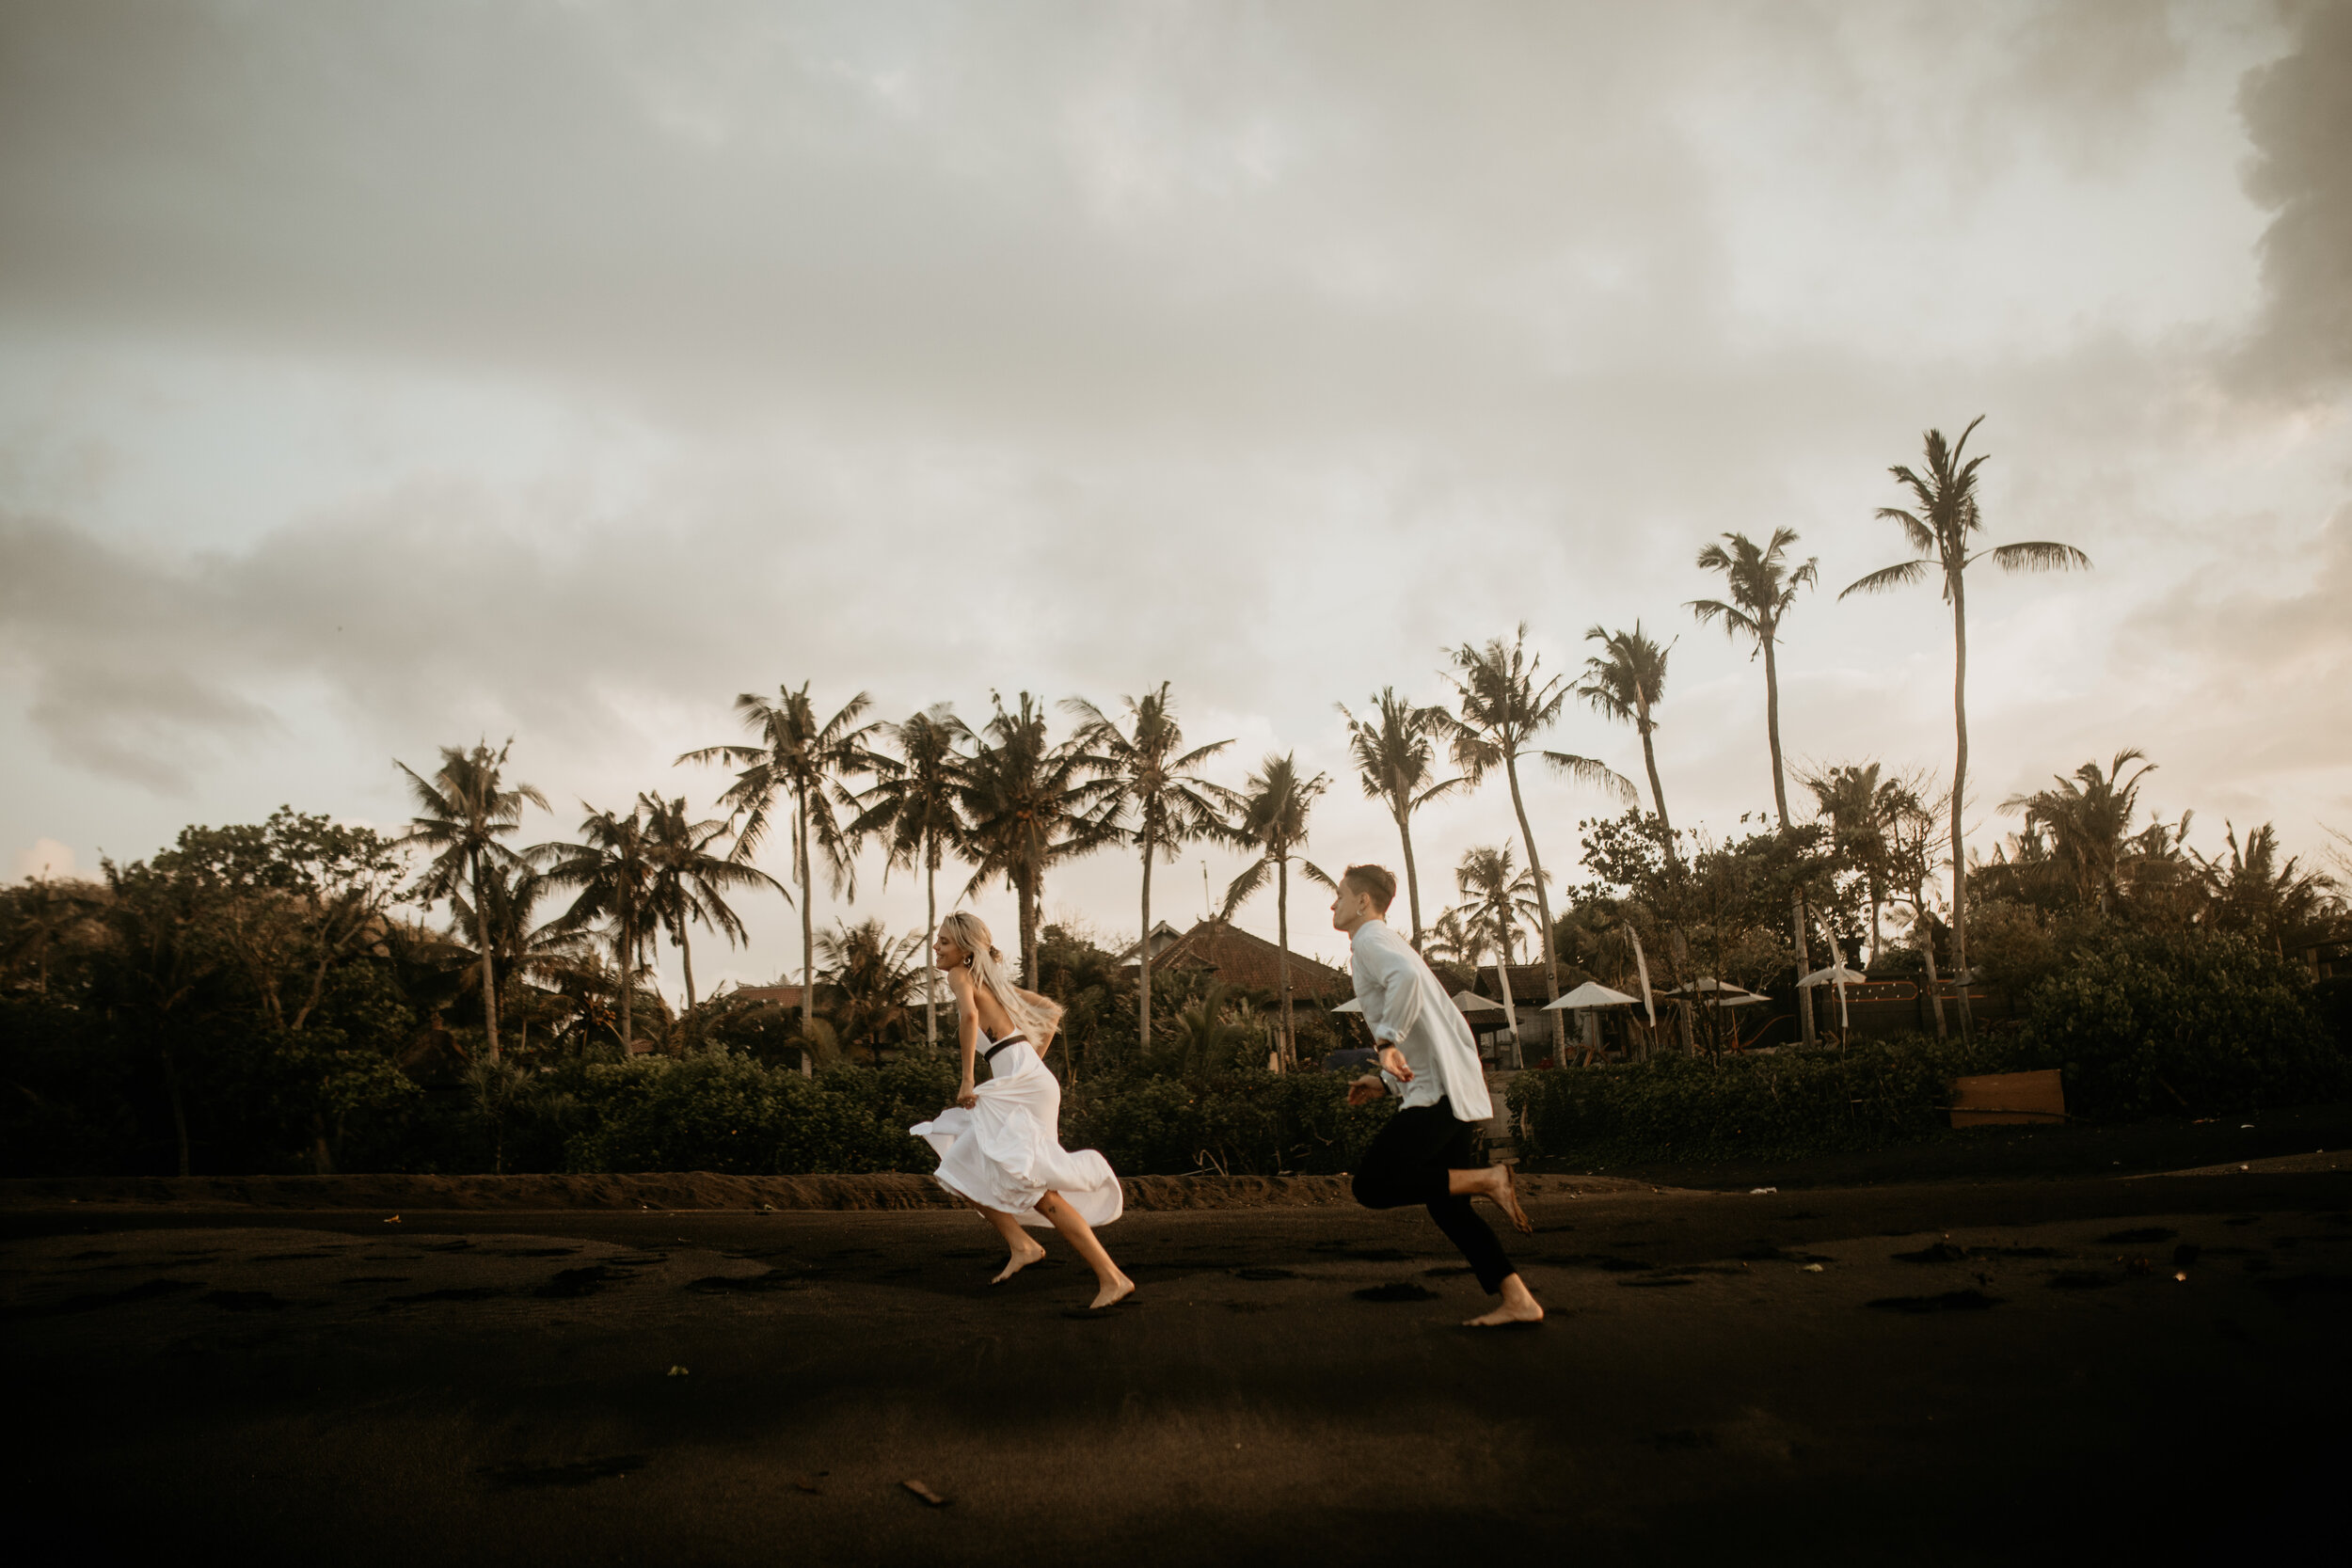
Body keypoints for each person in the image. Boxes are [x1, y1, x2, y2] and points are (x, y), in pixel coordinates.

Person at [1333, 863, 1543, 1328]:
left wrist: (1385, 1043)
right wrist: (1385, 1080)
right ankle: (1519, 1300)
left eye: (1340, 895)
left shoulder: (1370, 940)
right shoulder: (1384, 941)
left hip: (1438, 1094)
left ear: (1363, 901)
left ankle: (1489, 1180)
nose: (1334, 904)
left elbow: (1405, 982)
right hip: (1448, 1086)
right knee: (1448, 1206)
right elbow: (1423, 1021)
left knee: (1372, 1185)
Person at [910, 911, 1136, 1310]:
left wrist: (967, 1080)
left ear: (965, 949)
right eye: (938, 940)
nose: (937, 948)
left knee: (1036, 1190)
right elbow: (1051, 1014)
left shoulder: (960, 977)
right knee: (961, 1166)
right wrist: (1030, 1067)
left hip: (1020, 1082)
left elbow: (969, 1018)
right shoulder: (991, 983)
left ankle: (1112, 1277)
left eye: (944, 941)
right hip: (1027, 1080)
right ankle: (1022, 1244)